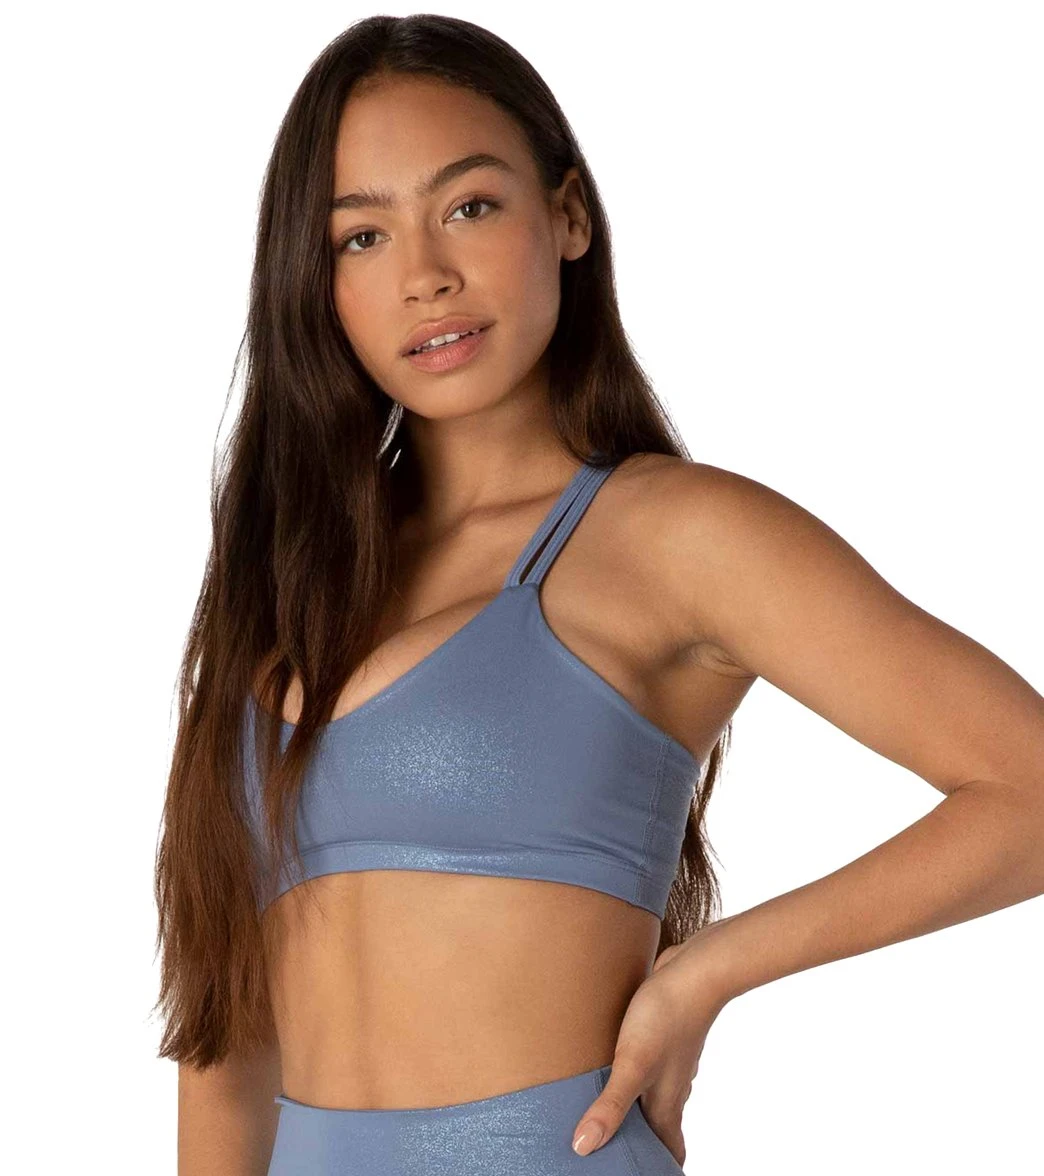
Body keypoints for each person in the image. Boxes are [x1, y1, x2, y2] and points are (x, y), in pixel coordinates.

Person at [154, 14, 1044, 1176]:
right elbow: (226, 1047)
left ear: (568, 216)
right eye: (362, 236)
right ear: (313, 282)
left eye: (470, 206)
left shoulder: (672, 537)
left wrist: (705, 971)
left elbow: (1026, 787)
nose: (424, 275)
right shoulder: (289, 581)